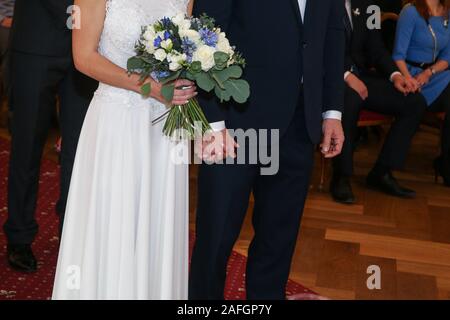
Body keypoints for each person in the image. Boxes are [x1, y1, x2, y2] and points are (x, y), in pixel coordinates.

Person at [190, 0, 346, 300]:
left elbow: (333, 35)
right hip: (236, 120)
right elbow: (206, 31)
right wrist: (212, 122)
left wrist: (331, 112)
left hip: (299, 122)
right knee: (216, 235)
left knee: (279, 238)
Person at [52, 0, 196, 300]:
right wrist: (149, 86)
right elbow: (83, 57)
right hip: (118, 120)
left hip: (168, 127)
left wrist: (184, 79)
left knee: (158, 223)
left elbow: (187, 51)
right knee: (115, 220)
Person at [4, 0, 98, 273]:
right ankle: (19, 234)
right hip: (36, 42)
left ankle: (71, 231)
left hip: (87, 49)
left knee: (79, 149)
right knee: (27, 145)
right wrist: (88, 17)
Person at [330, 0, 426, 204]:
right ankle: (341, 176)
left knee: (414, 101)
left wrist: (395, 75)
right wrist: (346, 75)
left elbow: (377, 48)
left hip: (363, 76)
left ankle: (381, 172)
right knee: (350, 100)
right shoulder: (319, 5)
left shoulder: (369, 6)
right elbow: (316, 48)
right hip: (332, 77)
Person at [393, 0, 450, 186]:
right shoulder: (411, 12)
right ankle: (445, 165)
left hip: (435, 75)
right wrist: (409, 78)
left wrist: (430, 72)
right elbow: (398, 56)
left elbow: (448, 57)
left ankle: (445, 163)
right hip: (410, 75)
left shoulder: (447, 13)